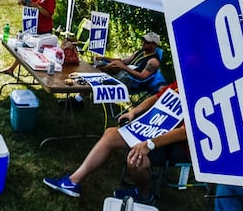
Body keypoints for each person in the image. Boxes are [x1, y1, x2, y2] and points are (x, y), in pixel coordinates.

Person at [43, 84, 187, 203]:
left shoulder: (202, 90)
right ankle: (72, 182)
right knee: (111, 134)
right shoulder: (182, 79)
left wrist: (148, 144)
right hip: (153, 129)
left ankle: (145, 195)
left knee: (135, 160)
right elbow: (156, 98)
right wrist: (133, 112)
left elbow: (185, 132)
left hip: (176, 144)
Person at [74, 31, 167, 102]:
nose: (143, 43)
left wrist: (124, 67)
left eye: (147, 42)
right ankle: (81, 93)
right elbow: (124, 61)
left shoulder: (153, 61)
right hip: (126, 73)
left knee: (110, 68)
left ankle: (80, 92)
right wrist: (105, 57)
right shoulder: (141, 52)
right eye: (143, 41)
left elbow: (142, 77)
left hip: (133, 82)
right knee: (106, 65)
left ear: (154, 45)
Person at [0, 0, 57, 76]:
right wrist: (23, 1)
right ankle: (12, 69)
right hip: (32, 27)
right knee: (24, 48)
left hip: (44, 29)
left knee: (41, 54)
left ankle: (43, 75)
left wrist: (38, 7)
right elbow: (21, 3)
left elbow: (49, 14)